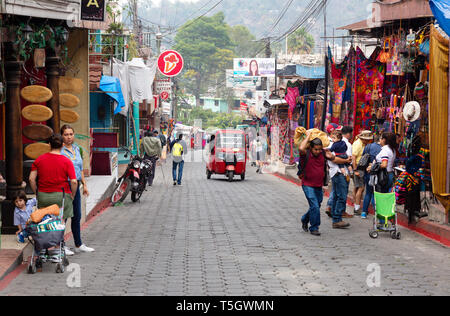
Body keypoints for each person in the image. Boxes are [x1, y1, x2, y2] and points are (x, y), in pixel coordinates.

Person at [29, 133, 78, 256]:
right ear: (62, 145)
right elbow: (73, 181)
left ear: (49, 144)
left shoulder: (39, 160)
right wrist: (72, 194)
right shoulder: (66, 161)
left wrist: (37, 192)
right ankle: (58, 246)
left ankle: (42, 246)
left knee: (44, 221)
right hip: (62, 195)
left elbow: (31, 179)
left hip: (43, 195)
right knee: (60, 222)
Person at [61, 125, 94, 253]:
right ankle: (61, 245)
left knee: (77, 215)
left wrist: (84, 185)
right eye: (66, 134)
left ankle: (78, 244)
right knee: (64, 216)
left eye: (71, 134)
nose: (69, 137)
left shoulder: (77, 148)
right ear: (62, 136)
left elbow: (80, 169)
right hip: (66, 185)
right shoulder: (60, 151)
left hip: (77, 184)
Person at [298, 132, 336, 236]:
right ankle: (314, 227)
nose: (318, 151)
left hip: (318, 185)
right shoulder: (306, 153)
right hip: (307, 184)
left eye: (320, 149)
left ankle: (304, 219)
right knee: (314, 206)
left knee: (316, 206)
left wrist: (331, 156)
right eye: (316, 149)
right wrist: (309, 136)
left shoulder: (323, 153)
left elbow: (333, 158)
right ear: (311, 147)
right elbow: (301, 148)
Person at [351, 130, 374, 215]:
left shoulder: (362, 143)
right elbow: (353, 157)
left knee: (357, 187)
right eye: (367, 140)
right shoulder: (358, 144)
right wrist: (355, 170)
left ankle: (355, 206)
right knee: (361, 188)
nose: (368, 141)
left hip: (359, 168)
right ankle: (357, 208)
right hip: (358, 168)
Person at [361, 135, 382, 219]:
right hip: (377, 173)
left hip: (368, 172)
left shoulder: (368, 146)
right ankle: (377, 213)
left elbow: (363, 157)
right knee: (375, 193)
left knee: (368, 193)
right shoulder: (382, 149)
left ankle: (363, 212)